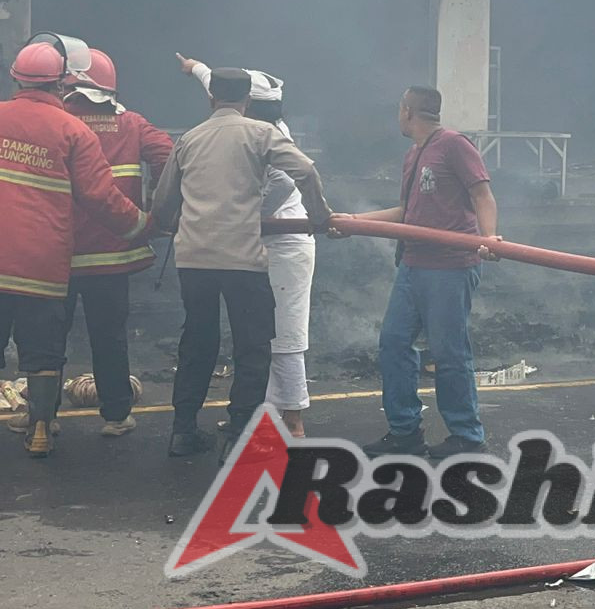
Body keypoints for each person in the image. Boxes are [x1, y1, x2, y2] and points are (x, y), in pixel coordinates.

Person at [0, 34, 149, 457]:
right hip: (40, 260)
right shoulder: (72, 129)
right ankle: (40, 431)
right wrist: (140, 226)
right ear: (60, 83)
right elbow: (100, 196)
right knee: (42, 344)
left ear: (16, 79)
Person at [151, 68, 332, 459]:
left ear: (211, 98)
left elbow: (163, 202)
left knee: (197, 342)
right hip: (242, 261)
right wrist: (319, 217)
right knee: (253, 346)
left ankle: (183, 431)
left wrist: (170, 222)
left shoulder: (189, 139)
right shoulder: (261, 134)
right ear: (247, 101)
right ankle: (239, 433)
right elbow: (305, 170)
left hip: (194, 260)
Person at [5, 48, 172, 440]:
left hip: (55, 254)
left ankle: (43, 416)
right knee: (109, 337)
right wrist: (157, 211)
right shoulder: (131, 123)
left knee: (47, 337)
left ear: (66, 83)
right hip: (111, 255)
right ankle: (116, 416)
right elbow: (169, 155)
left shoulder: (52, 120)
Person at [335, 86, 499, 459]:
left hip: (450, 267)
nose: (398, 115)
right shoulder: (413, 154)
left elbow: (482, 195)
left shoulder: (454, 144)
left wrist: (490, 238)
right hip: (413, 265)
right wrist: (354, 221)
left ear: (408, 111)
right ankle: (405, 432)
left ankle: (467, 436)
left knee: (448, 352)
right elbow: (405, 213)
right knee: (393, 342)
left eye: (399, 108)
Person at [178, 53, 316, 437]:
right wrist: (195, 67)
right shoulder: (245, 123)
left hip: (283, 243)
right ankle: (260, 416)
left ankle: (293, 417)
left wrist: (232, 214)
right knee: (258, 336)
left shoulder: (270, 136)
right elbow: (217, 85)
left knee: (283, 334)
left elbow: (284, 184)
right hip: (250, 244)